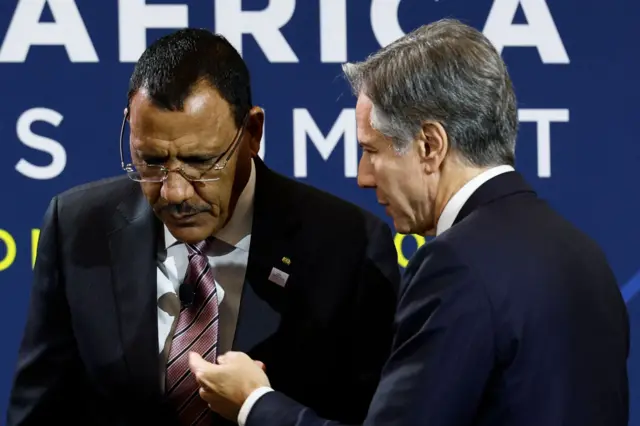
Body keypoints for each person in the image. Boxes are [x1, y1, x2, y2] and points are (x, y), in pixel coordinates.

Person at [188, 18, 630, 426]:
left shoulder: (456, 266)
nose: (362, 177)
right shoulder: (586, 257)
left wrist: (255, 403)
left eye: (372, 150)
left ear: (430, 146)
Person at [6, 29, 400, 426]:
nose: (175, 192)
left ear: (252, 133)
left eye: (201, 162)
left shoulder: (348, 245)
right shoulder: (77, 225)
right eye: (152, 161)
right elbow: (39, 412)